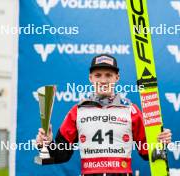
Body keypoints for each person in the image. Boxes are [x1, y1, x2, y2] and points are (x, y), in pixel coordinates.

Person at [36, 54, 172, 176]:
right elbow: (61, 155)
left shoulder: (131, 110)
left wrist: (160, 141)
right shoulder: (77, 111)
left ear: (117, 78)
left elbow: (146, 152)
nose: (103, 80)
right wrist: (47, 144)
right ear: (90, 78)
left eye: (108, 75)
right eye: (98, 75)